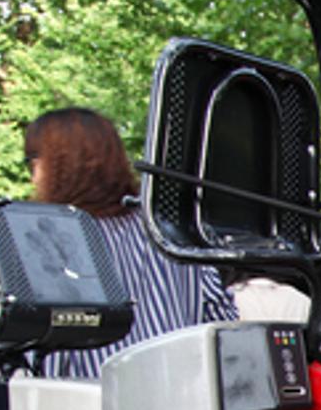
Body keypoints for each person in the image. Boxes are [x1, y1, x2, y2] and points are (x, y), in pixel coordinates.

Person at [23, 107, 237, 378]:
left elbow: (40, 361)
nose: (32, 177)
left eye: (32, 161)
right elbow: (223, 325)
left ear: (54, 165)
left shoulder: (49, 242)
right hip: (184, 405)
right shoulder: (169, 229)